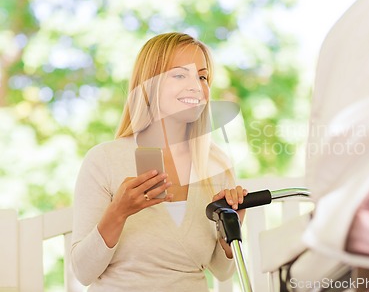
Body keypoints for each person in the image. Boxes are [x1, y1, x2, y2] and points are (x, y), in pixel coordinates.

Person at [71, 32, 247, 292]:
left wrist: (231, 225)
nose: (196, 86)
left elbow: (222, 271)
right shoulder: (105, 160)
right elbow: (84, 272)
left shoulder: (215, 165)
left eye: (202, 76)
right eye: (179, 75)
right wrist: (118, 212)